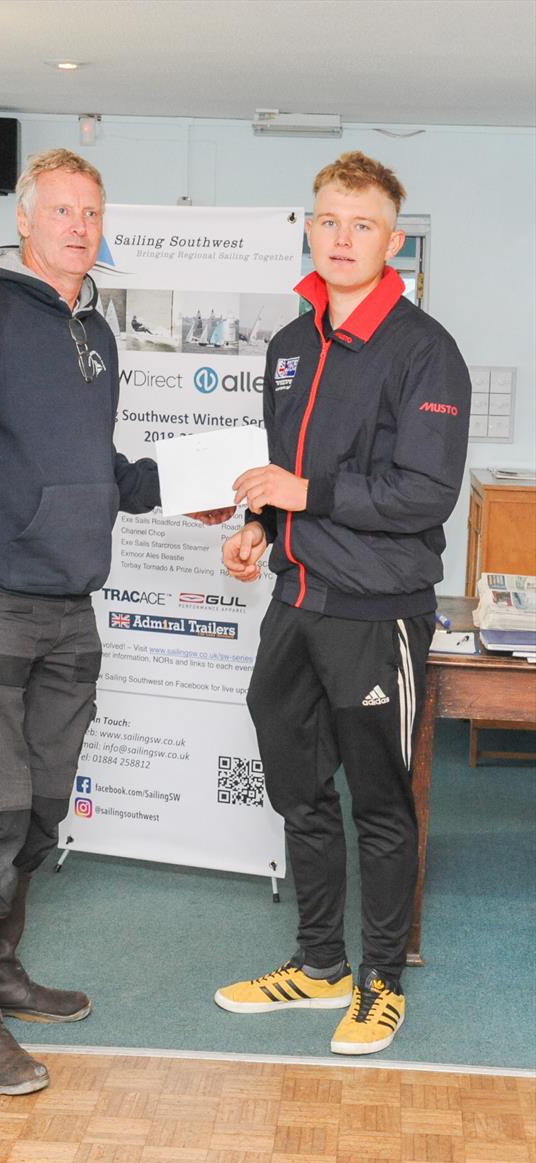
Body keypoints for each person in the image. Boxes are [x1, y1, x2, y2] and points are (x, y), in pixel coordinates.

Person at [0, 149, 228, 1096]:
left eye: (92, 212)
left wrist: (182, 489)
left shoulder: (98, 333)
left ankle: (0, 973)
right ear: (26, 221)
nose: (79, 226)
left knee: (41, 809)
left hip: (69, 607)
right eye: (62, 211)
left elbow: (101, 467)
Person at [214, 151, 470, 1055]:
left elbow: (421, 497)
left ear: (392, 240)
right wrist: (257, 524)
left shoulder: (426, 350)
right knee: (296, 786)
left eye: (362, 224)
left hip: (378, 610)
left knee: (380, 801)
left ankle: (382, 980)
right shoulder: (290, 345)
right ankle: (320, 965)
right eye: (328, 220)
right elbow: (282, 472)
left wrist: (302, 493)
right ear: (310, 228)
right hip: (297, 598)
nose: (342, 238)